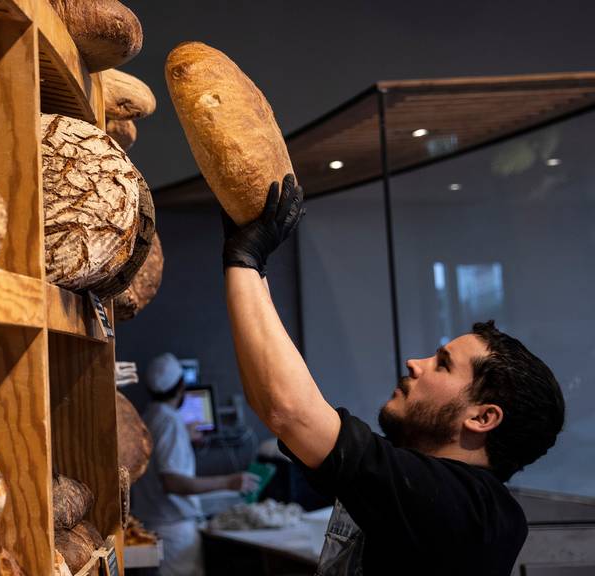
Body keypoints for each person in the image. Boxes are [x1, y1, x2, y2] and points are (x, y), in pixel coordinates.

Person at [220, 174, 565, 575]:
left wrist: (245, 262)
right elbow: (286, 410)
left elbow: (290, 411)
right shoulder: (421, 484)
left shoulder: (474, 510)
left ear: (483, 417)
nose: (414, 364)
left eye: (442, 364)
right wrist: (250, 263)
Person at [131, 352, 259, 576]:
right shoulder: (170, 422)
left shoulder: (149, 416)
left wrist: (184, 436)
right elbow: (173, 482)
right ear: (181, 387)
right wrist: (229, 481)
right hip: (173, 534)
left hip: (151, 525)